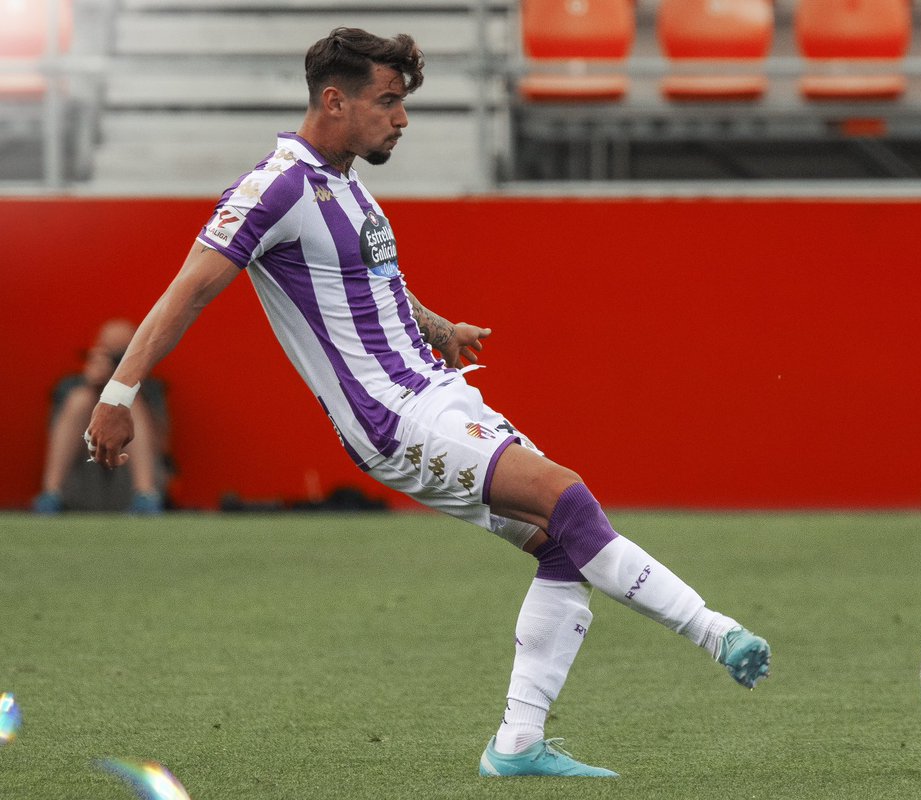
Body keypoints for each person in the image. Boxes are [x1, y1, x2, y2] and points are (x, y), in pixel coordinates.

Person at [85, 27, 770, 778]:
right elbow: (189, 292)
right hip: (394, 417)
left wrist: (437, 326)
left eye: (402, 103)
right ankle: (716, 632)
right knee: (567, 497)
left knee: (560, 544)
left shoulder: (343, 178)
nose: (401, 119)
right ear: (335, 100)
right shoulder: (276, 185)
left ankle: (517, 746)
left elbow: (370, 283)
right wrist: (120, 393)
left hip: (434, 393)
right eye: (388, 102)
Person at [35, 318, 167, 514]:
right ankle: (50, 496)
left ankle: (145, 496)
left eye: (121, 355)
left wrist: (125, 389)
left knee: (130, 402)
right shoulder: (71, 386)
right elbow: (53, 439)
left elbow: (162, 447)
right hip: (83, 482)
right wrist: (94, 385)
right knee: (80, 400)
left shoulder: (151, 389)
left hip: (128, 484)